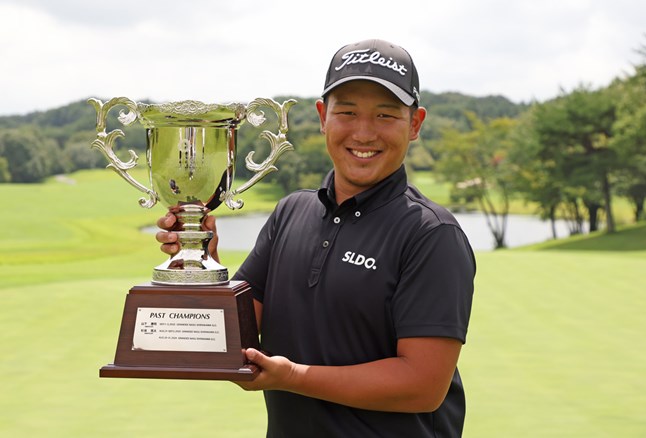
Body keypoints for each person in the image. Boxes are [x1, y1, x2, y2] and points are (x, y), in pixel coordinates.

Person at [157, 39, 476, 437]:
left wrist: (292, 376)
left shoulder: (431, 234)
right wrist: (203, 258)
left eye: (384, 115)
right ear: (323, 116)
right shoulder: (292, 212)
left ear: (415, 124)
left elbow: (422, 386)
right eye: (347, 112)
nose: (364, 132)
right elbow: (231, 336)